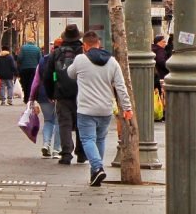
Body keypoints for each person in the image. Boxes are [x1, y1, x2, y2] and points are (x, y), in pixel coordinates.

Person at [66, 30, 132, 187]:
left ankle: (97, 167)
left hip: (86, 109)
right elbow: (121, 87)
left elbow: (70, 74)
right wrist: (127, 107)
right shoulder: (112, 62)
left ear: (85, 45)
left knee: (88, 139)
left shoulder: (80, 59)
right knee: (100, 139)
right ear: (99, 44)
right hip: (105, 109)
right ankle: (94, 175)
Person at [43, 24, 86, 165]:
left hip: (62, 93)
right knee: (81, 123)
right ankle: (81, 153)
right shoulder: (83, 52)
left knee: (64, 124)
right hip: (82, 93)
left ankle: (66, 153)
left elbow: (48, 75)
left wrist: (51, 93)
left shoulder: (57, 53)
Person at [32, 39, 61, 158]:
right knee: (59, 122)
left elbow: (36, 80)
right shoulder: (64, 59)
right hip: (59, 94)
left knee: (48, 120)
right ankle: (56, 150)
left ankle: (46, 144)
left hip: (43, 94)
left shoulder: (43, 60)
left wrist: (32, 98)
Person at [17, 39, 42, 104]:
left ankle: (26, 98)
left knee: (25, 83)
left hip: (24, 68)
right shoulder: (37, 49)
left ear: (27, 42)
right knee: (32, 83)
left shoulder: (23, 48)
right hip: (34, 68)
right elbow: (40, 59)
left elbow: (20, 58)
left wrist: (19, 64)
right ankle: (31, 98)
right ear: (34, 42)